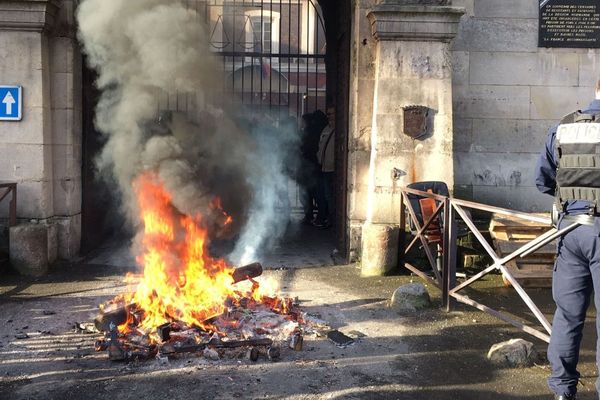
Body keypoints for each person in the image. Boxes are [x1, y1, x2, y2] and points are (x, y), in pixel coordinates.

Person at [535, 80, 600, 400]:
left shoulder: (564, 126)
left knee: (567, 314)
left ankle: (562, 391)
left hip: (570, 230)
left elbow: (542, 180)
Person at [297, 113, 321, 225]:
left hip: (308, 167)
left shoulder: (308, 134)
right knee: (309, 192)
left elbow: (307, 149)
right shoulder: (309, 132)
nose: (300, 123)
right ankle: (310, 214)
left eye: (301, 121)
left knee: (308, 192)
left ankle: (310, 214)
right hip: (308, 166)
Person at [314, 107, 335, 229]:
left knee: (330, 195)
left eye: (331, 113)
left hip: (333, 168)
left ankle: (332, 220)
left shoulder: (339, 130)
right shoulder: (326, 129)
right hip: (324, 167)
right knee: (326, 195)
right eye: (328, 114)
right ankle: (328, 218)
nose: (329, 116)